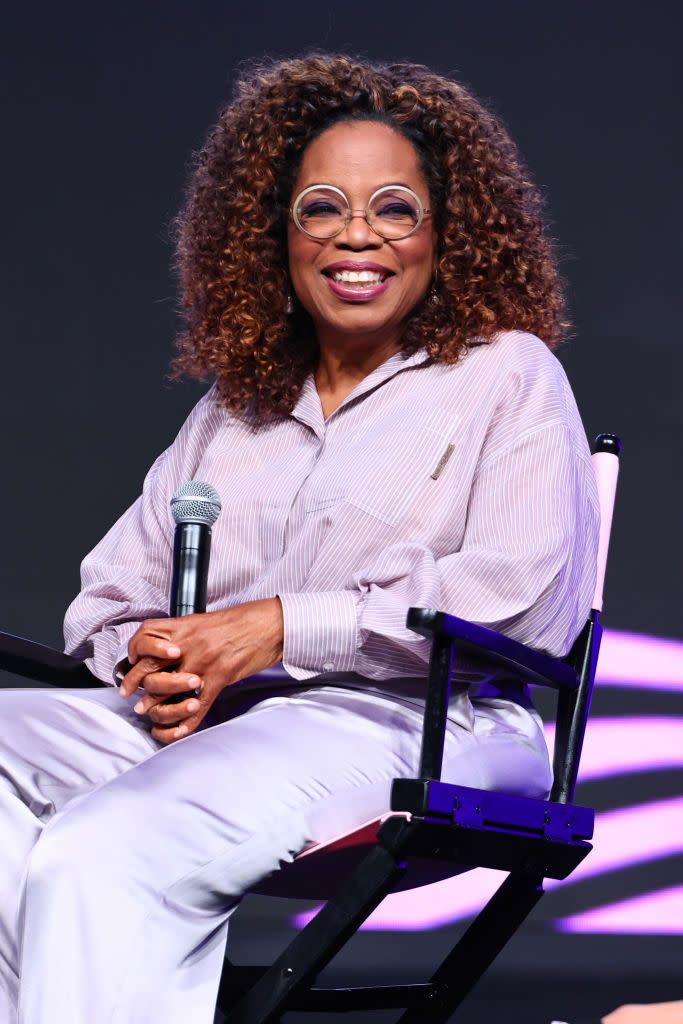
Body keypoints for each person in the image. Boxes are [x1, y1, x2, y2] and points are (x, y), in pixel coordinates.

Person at [0, 52, 599, 1023]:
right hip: (228, 721)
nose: (354, 233)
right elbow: (111, 597)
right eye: (321, 205)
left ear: (445, 236)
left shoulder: (503, 375)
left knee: (109, 845)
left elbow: (523, 604)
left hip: (428, 720)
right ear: (274, 237)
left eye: (394, 208)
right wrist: (159, 657)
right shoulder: (232, 410)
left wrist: (278, 626)